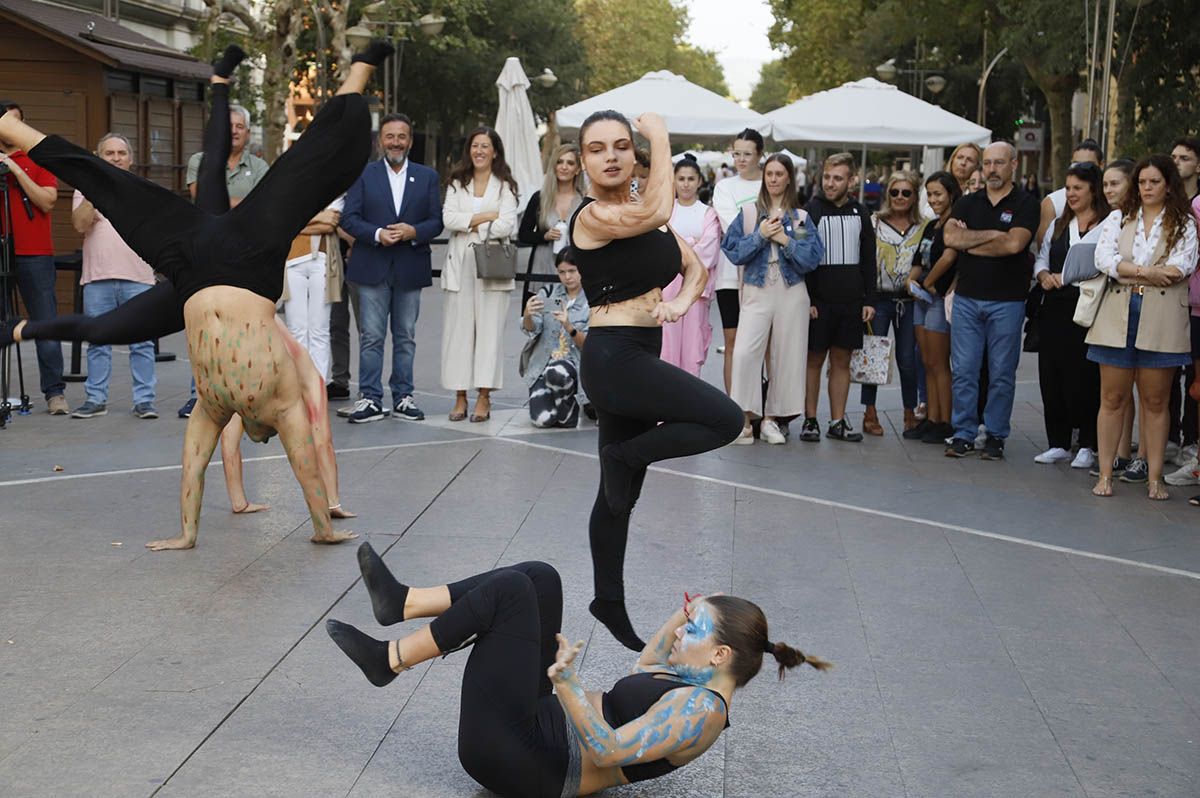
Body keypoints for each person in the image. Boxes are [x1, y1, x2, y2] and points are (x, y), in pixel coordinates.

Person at [0, 41, 395, 547]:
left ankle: (16, 327)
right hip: (250, 255)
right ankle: (355, 72)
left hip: (191, 274)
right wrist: (323, 530)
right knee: (313, 157)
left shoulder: (212, 407)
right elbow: (307, 469)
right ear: (263, 428)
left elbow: (192, 471)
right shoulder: (283, 403)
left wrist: (186, 536)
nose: (256, 438)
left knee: (107, 284)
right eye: (260, 438)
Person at [327, 545, 830, 798]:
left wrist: (566, 683)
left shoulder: (701, 713)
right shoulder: (692, 684)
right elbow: (647, 664)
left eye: (694, 630)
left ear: (720, 656)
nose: (680, 633)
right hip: (535, 725)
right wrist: (689, 611)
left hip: (525, 761)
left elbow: (609, 750)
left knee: (511, 594)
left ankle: (389, 660)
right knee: (539, 578)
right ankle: (404, 601)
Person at [568, 110, 743, 650]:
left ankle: (608, 601)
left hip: (642, 345)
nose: (613, 156)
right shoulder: (592, 216)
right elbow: (663, 206)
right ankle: (629, 454)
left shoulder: (650, 215)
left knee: (618, 499)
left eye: (623, 145)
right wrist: (661, 136)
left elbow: (694, 267)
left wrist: (681, 303)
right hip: (614, 358)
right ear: (583, 160)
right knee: (726, 418)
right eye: (598, 149)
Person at [1088, 154, 1199, 499]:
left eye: (1154, 182)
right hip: (1118, 313)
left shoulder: (1184, 222)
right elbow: (1104, 260)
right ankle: (1105, 474)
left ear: (1169, 185)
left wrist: (1131, 269)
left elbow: (1181, 267)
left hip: (1163, 318)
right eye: (1142, 182)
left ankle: (1154, 478)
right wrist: (1149, 272)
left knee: (1155, 400)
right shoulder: (1119, 218)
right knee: (1112, 397)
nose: (1147, 188)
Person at [339, 112, 444, 423]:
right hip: (372, 265)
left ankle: (403, 397)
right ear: (379, 141)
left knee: (406, 335)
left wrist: (414, 232)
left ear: (410, 141)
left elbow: (436, 221)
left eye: (401, 137)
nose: (396, 142)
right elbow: (349, 219)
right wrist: (376, 234)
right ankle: (370, 398)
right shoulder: (363, 174)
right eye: (390, 136)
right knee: (371, 336)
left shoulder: (427, 177)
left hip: (409, 266)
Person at [942, 141, 1040, 460]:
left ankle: (996, 434)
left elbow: (1014, 246)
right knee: (965, 369)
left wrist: (972, 241)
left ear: (1014, 165)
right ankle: (964, 433)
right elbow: (950, 238)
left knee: (1001, 372)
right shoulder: (968, 202)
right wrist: (995, 234)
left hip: (1008, 301)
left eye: (999, 163)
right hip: (968, 298)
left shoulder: (1026, 203)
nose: (992, 169)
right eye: (987, 163)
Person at [722, 152, 823, 444]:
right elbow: (734, 251)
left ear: (789, 177)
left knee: (786, 357)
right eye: (770, 174)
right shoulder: (751, 214)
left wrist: (785, 241)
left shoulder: (800, 218)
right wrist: (761, 235)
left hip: (792, 292)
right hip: (757, 288)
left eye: (779, 174)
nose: (774, 179)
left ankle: (771, 420)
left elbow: (809, 259)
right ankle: (743, 420)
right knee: (744, 353)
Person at [178, 96, 270, 419]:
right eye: (228, 126)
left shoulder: (259, 166)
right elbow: (203, 201)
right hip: (205, 259)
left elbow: (262, 210)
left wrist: (233, 207)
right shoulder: (199, 161)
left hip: (245, 259)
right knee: (204, 328)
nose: (234, 132)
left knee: (243, 328)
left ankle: (241, 395)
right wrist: (240, 207)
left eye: (240, 127)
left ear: (247, 134)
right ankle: (200, 396)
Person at [68, 132, 157, 420]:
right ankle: (96, 399)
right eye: (109, 153)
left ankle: (144, 401)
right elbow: (81, 225)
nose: (116, 158)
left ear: (131, 160)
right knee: (98, 341)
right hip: (98, 277)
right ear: (98, 157)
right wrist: (96, 190)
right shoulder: (85, 187)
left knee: (142, 342)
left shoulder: (144, 189)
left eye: (121, 153)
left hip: (138, 277)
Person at [1032, 162, 1108, 469]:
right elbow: (1041, 255)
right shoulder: (1059, 224)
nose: (1071, 194)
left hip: (1085, 305)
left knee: (1083, 376)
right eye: (1068, 188)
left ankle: (1087, 442)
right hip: (1053, 304)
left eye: (1078, 188)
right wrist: (1043, 275)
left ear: (1093, 190)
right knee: (1051, 373)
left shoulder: (1107, 223)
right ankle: (1058, 442)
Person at [441, 127, 519, 423]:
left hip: (492, 265)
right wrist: (486, 217)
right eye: (475, 146)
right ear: (469, 150)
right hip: (459, 266)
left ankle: (484, 397)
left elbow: (507, 225)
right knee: (458, 334)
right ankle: (460, 397)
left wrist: (471, 224)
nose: (480, 151)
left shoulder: (505, 186)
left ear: (495, 151)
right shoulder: (457, 182)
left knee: (488, 334)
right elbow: (448, 218)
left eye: (485, 146)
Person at [800, 152, 876, 443]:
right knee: (814, 361)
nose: (830, 184)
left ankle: (837, 421)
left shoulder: (861, 213)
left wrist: (870, 299)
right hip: (820, 303)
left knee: (842, 361)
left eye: (838, 178)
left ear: (851, 180)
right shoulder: (809, 212)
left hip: (851, 302)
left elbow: (868, 259)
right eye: (827, 177)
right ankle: (810, 420)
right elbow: (802, 261)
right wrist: (809, 299)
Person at [0, 100, 67, 414]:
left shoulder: (38, 158)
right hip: (2, 253)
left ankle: (55, 392)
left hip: (34, 254)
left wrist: (14, 167)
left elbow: (47, 201)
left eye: (18, 122)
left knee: (45, 322)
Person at [862, 171, 925, 437]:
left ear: (914, 196)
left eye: (906, 192)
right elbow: (863, 260)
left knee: (908, 359)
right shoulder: (874, 222)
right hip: (879, 299)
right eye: (895, 192)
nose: (900, 197)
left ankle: (910, 410)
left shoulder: (924, 226)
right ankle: (869, 412)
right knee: (874, 355)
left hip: (909, 301)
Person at [711, 129, 765, 394]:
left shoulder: (772, 183)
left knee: (764, 345)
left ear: (760, 155)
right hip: (730, 276)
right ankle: (734, 408)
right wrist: (765, 232)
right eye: (737, 153)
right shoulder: (724, 187)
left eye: (747, 154)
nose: (741, 159)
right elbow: (733, 226)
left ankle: (763, 410)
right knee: (732, 342)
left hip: (767, 276)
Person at [909, 171, 961, 444]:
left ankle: (945, 421)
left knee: (940, 363)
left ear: (951, 193)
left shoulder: (956, 223)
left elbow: (950, 257)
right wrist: (911, 280)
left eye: (938, 193)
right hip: (922, 298)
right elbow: (919, 257)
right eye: (929, 194)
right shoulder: (931, 225)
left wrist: (928, 282)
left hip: (939, 297)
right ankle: (931, 417)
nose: (933, 199)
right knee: (927, 361)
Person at [661, 154, 720, 377]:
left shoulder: (707, 213)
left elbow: (710, 249)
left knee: (693, 345)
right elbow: (659, 244)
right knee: (667, 344)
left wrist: (679, 246)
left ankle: (689, 401)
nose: (686, 184)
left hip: (696, 286)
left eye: (691, 179)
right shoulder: (665, 211)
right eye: (681, 178)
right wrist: (690, 244)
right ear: (674, 181)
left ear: (699, 181)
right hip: (668, 284)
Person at [521, 247, 589, 428]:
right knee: (542, 420)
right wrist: (528, 315)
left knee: (557, 372)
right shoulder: (548, 292)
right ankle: (558, 404)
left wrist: (569, 327)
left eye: (572, 271)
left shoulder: (591, 299)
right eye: (562, 272)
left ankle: (569, 409)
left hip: (574, 365)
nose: (567, 277)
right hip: (543, 364)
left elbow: (590, 346)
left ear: (582, 269)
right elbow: (532, 329)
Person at [280, 196, 343, 386]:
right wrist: (317, 218)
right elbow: (281, 220)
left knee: (319, 329)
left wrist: (296, 222)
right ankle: (298, 387)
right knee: (296, 329)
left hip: (323, 262)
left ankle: (318, 388)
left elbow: (330, 224)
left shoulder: (333, 189)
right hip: (291, 262)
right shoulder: (290, 184)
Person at [518, 143, 584, 311]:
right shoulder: (539, 198)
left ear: (577, 169)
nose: (564, 167)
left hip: (575, 271)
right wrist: (544, 236)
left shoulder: (584, 201)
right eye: (559, 162)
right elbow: (523, 235)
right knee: (540, 319)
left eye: (570, 163)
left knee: (571, 321)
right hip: (542, 268)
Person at [1036, 139, 1103, 249]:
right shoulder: (1052, 202)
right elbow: (1043, 252)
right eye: (1075, 165)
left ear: (1101, 165)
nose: (1080, 170)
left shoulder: (1110, 201)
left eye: (1087, 165)